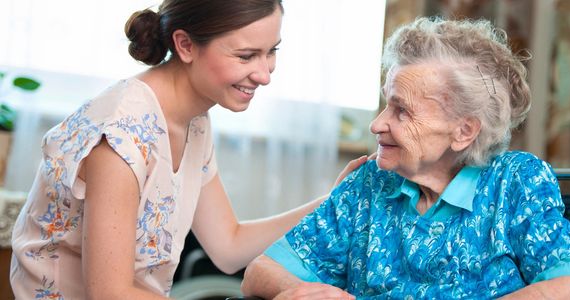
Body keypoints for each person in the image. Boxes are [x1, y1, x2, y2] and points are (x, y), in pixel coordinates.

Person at [9, 1, 366, 299]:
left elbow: (228, 246)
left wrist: (332, 200)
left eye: (271, 51)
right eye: (246, 56)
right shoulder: (120, 137)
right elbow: (110, 295)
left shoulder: (193, 120)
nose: (264, 73)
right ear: (185, 45)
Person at [241, 17, 570, 299]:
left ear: (464, 131)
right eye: (386, 103)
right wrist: (296, 294)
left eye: (402, 111)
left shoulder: (515, 181)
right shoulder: (369, 184)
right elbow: (260, 271)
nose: (377, 124)